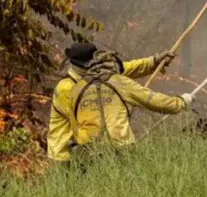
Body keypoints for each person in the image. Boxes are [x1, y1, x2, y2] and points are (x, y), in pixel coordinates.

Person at [47, 42, 195, 162]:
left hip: (90, 154)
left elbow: (125, 69)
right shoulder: (67, 88)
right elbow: (88, 122)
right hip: (64, 156)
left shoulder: (98, 77)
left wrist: (154, 61)